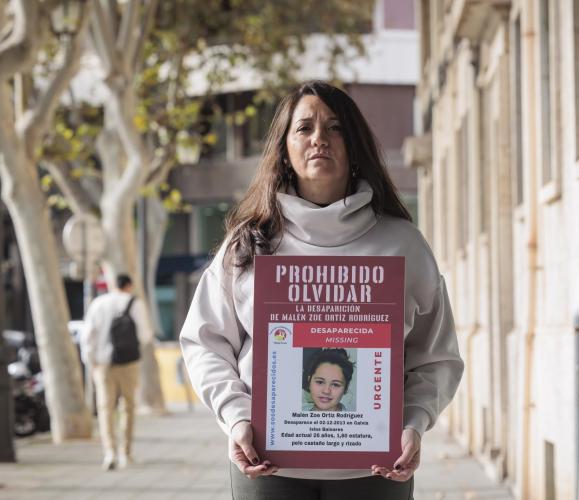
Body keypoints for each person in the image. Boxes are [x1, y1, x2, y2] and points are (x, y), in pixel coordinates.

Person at [180, 81, 463, 500]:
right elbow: (204, 343)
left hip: (375, 472)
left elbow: (436, 356)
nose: (319, 139)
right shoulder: (248, 245)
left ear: (355, 145)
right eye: (304, 128)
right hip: (267, 466)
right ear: (284, 149)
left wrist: (414, 422)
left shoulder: (402, 244)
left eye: (335, 128)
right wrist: (236, 417)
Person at [80, 274, 151, 471]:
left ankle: (109, 452)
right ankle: (125, 453)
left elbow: (87, 336)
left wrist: (90, 361)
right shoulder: (135, 303)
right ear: (129, 285)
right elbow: (145, 335)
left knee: (105, 408)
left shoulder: (99, 303)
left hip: (102, 363)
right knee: (128, 406)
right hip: (128, 363)